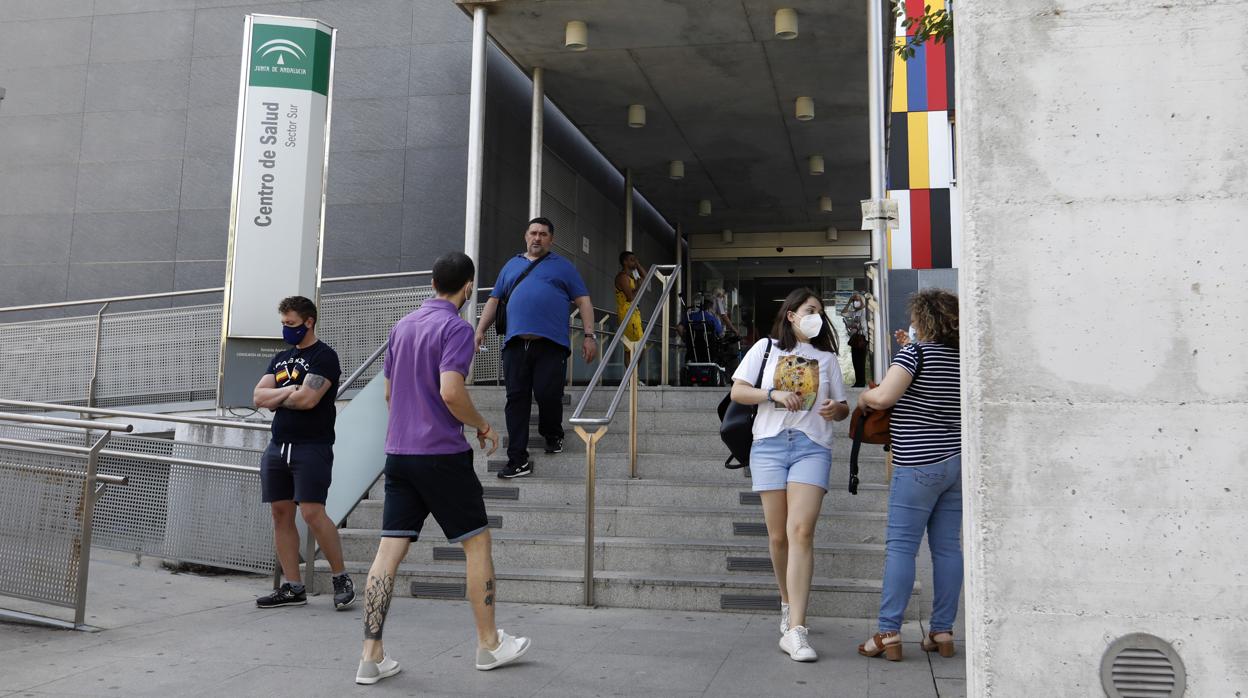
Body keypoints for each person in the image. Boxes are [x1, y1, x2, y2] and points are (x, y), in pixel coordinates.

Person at [356, 252, 531, 685]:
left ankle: (370, 656)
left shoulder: (402, 326)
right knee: (477, 543)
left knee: (388, 552)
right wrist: (485, 425)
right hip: (441, 455)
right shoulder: (456, 328)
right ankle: (489, 645)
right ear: (468, 287)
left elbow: (389, 395)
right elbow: (451, 392)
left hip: (399, 454)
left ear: (433, 282)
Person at [729, 288, 849, 662]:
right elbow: (738, 392)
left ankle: (797, 628)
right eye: (809, 310)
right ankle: (786, 600)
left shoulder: (827, 358)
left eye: (819, 311)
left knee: (801, 531)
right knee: (778, 536)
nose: (816, 316)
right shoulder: (765, 349)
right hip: (769, 445)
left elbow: (844, 405)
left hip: (812, 445)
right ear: (792, 315)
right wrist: (774, 395)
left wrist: (836, 409)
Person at [855, 288, 962, 662]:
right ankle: (942, 630)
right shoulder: (962, 358)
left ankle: (888, 633)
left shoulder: (915, 353)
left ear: (923, 319)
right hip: (956, 464)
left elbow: (885, 397)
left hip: (917, 464)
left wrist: (865, 399)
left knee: (901, 548)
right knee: (948, 548)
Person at [474, 217, 597, 479]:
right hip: (515, 344)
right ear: (526, 236)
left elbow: (584, 302)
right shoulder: (511, 265)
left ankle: (552, 433)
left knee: (547, 394)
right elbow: (494, 300)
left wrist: (589, 335)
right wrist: (480, 330)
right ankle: (517, 459)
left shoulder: (563, 267)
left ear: (551, 239)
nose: (537, 238)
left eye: (543, 234)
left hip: (551, 345)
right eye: (533, 233)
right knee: (516, 399)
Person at [252, 296, 354, 610]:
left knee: (312, 512)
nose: (286, 330)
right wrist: (288, 391)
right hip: (277, 446)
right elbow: (258, 396)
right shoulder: (281, 358)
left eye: (291, 324)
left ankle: (340, 577)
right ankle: (293, 587)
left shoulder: (325, 357)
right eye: (283, 324)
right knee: (280, 514)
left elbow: (309, 400)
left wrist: (278, 396)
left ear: (309, 321)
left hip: (312, 447)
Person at [614, 251, 646, 361]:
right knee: (630, 347)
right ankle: (631, 377)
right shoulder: (622, 277)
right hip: (627, 313)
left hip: (634, 313)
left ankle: (633, 376)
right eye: (632, 260)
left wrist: (638, 265)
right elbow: (630, 297)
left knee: (641, 346)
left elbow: (646, 277)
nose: (635, 262)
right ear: (625, 262)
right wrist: (638, 287)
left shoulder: (631, 276)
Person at [841, 292, 868, 387]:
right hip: (855, 339)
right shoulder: (854, 312)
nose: (855, 302)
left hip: (862, 338)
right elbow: (843, 313)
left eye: (857, 300)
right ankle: (858, 381)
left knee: (861, 361)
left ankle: (861, 382)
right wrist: (849, 302)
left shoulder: (865, 311)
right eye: (854, 300)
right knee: (855, 361)